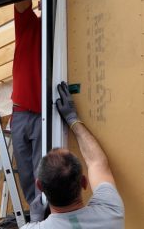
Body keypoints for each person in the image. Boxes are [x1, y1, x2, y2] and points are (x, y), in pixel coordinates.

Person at [22, 81, 125, 228]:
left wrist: (34, 222)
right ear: (83, 182)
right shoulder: (111, 212)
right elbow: (97, 162)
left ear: (40, 185)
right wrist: (72, 119)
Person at [11, 0, 42, 209]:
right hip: (21, 112)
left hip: (44, 114)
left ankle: (46, 217)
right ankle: (36, 213)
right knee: (25, 173)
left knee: (42, 173)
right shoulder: (28, 23)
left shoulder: (59, 31)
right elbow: (21, 0)